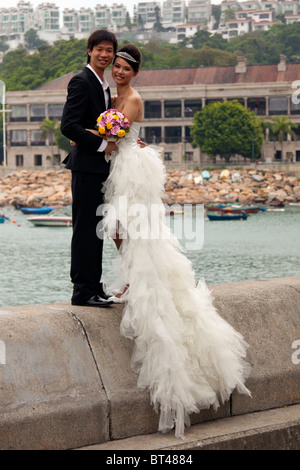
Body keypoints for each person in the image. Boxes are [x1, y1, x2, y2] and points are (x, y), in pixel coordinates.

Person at [90, 44, 252, 438]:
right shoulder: (111, 93)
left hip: (129, 167)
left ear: (136, 71)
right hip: (124, 163)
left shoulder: (133, 98)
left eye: (126, 68)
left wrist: (94, 137)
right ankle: (131, 275)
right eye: (118, 66)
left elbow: (117, 135)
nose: (120, 72)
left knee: (128, 225)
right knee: (117, 225)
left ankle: (135, 277)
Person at [60, 30, 118, 308]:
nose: (104, 55)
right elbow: (68, 126)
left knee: (96, 229)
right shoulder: (81, 81)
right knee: (85, 229)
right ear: (89, 50)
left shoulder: (103, 84)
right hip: (85, 166)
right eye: (100, 50)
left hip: (99, 169)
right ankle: (82, 291)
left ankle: (94, 286)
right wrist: (101, 145)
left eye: (109, 50)